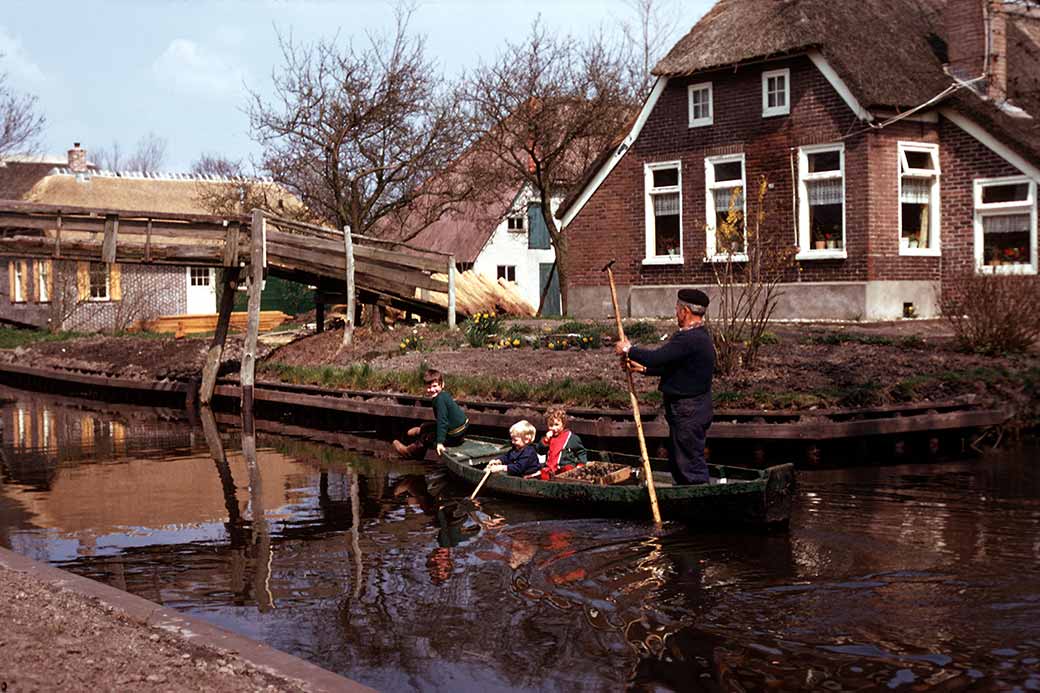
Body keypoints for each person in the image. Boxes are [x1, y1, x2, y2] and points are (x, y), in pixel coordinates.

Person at [614, 288, 715, 485]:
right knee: (681, 459)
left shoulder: (690, 338)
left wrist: (629, 349)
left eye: (677, 309)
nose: (676, 313)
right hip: (693, 409)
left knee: (689, 463)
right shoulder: (699, 337)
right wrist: (643, 369)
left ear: (685, 311)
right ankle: (687, 495)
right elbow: (676, 368)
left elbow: (658, 357)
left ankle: (697, 500)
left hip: (689, 411)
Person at [392, 368, 468, 459]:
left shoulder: (439, 400)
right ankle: (419, 430)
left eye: (435, 386)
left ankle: (410, 452)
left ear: (442, 384)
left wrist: (440, 443)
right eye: (429, 387)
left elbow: (442, 421)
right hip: (461, 428)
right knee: (427, 426)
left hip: (455, 435)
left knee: (427, 437)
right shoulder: (443, 395)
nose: (432, 390)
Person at [536, 407, 588, 479]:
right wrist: (546, 440)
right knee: (543, 473)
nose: (554, 428)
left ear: (563, 424)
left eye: (556, 425)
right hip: (550, 469)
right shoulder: (548, 438)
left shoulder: (572, 438)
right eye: (551, 425)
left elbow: (581, 452)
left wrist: (581, 464)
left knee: (568, 469)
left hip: (564, 469)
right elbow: (540, 451)